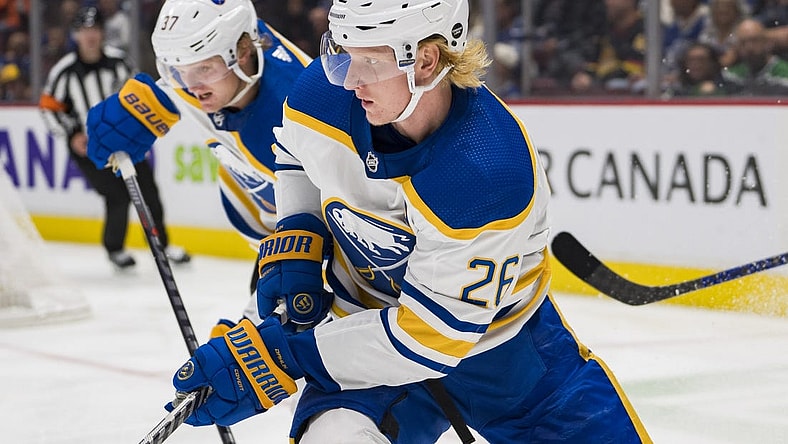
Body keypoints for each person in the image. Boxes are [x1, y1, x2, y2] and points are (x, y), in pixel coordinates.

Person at [162, 1, 652, 443]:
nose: (349, 80)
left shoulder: (486, 172)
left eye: (370, 62)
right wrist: (300, 229)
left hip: (505, 354)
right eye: (343, 53)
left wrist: (286, 356)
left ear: (426, 60)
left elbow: (426, 339)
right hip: (365, 324)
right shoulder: (324, 91)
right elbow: (295, 154)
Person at [85, 0, 311, 302]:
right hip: (275, 239)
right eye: (178, 70)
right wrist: (149, 101)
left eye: (203, 68)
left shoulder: (298, 120)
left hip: (314, 251)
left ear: (243, 52)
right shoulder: (228, 54)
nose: (191, 87)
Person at [39, 6, 190, 269]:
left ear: (102, 32)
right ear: (75, 35)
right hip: (90, 148)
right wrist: (72, 134)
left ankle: (161, 246)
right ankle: (115, 248)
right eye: (84, 30)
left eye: (94, 29)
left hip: (126, 143)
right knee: (117, 195)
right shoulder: (65, 71)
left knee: (148, 192)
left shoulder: (119, 62)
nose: (90, 36)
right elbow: (48, 108)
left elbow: (141, 96)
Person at [723, 17, 788, 94]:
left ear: (766, 42)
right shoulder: (731, 75)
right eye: (743, 42)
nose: (749, 47)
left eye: (754, 40)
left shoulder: (784, 73)